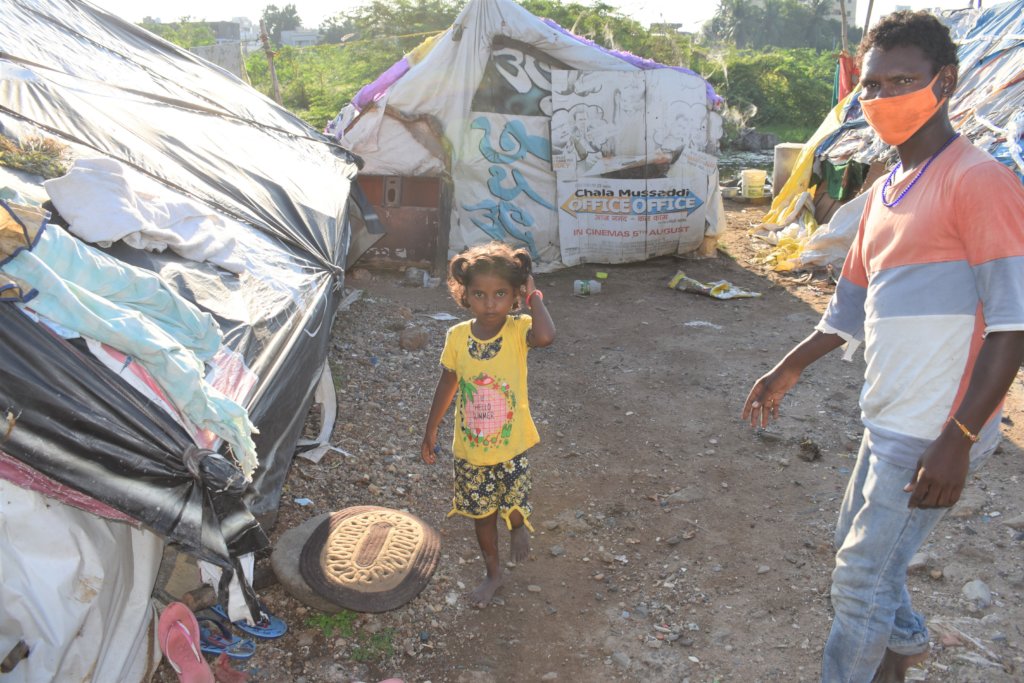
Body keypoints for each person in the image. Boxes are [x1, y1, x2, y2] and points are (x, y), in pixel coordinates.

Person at [742, 11, 1024, 683]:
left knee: (860, 580)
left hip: (938, 424)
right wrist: (786, 368)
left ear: (945, 82)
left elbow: (1013, 323)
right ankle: (902, 647)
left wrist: (958, 435)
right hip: (889, 415)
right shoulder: (880, 197)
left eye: (902, 80)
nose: (881, 98)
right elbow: (845, 310)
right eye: (870, 85)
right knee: (862, 553)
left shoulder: (977, 181)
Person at [421, 241, 555, 607]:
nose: (490, 302)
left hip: (511, 446)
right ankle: (493, 574)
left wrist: (534, 295)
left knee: (512, 500)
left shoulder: (518, 330)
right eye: (480, 294)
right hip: (471, 449)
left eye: (500, 294)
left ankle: (516, 528)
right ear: (465, 296)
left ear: (514, 296)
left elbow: (546, 337)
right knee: (481, 514)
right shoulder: (457, 338)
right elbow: (448, 383)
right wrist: (431, 427)